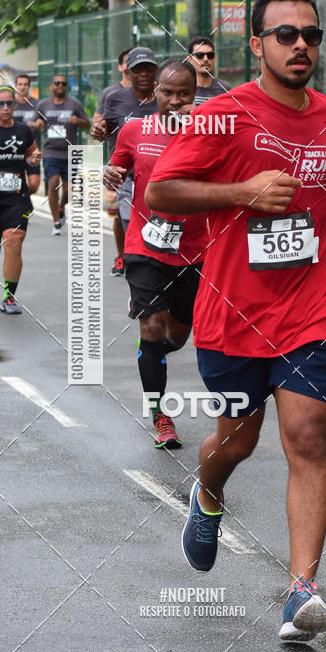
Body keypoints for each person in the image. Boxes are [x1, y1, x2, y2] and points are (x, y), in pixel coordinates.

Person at [146, 0, 326, 641]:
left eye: (310, 33)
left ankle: (302, 591)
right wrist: (242, 191)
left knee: (307, 434)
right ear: (257, 45)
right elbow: (161, 190)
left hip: (311, 306)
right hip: (234, 311)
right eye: (284, 34)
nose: (300, 44)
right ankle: (208, 491)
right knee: (235, 441)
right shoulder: (222, 114)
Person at [104, 59, 207, 448]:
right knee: (151, 327)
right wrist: (110, 174)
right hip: (145, 245)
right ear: (155, 93)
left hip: (195, 250)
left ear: (195, 95)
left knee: (177, 336)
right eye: (168, 92)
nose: (175, 101)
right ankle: (160, 414)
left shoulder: (209, 133)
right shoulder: (135, 130)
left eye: (184, 93)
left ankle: (152, 354)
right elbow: (116, 168)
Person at [91, 47, 158, 276]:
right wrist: (100, 131)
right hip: (127, 177)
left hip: (160, 177)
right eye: (138, 69)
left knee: (157, 233)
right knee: (132, 228)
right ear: (128, 71)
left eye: (148, 69)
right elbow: (106, 126)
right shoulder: (115, 98)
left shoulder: (166, 98)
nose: (143, 74)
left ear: (156, 71)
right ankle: (135, 273)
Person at [0, 85, 42, 314]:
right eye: (0, 104)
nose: (5, 108)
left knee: (14, 242)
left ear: (15, 105)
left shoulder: (24, 131)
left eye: (9, 103)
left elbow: (32, 157)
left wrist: (34, 166)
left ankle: (9, 297)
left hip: (17, 199)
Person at [92, 46, 133, 277]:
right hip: (118, 165)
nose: (133, 66)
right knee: (118, 214)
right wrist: (99, 129)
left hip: (148, 165)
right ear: (121, 66)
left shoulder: (154, 92)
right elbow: (98, 125)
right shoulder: (111, 94)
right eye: (128, 62)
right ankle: (121, 255)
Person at [35, 75, 90, 235]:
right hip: (50, 152)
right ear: (51, 86)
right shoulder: (43, 104)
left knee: (69, 191)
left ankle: (61, 207)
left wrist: (77, 121)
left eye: (63, 83)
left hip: (70, 153)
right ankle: (56, 222)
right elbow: (33, 122)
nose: (60, 85)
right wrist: (37, 123)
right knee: (52, 184)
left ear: (66, 87)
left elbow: (87, 123)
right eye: (57, 83)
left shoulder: (74, 103)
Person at [12, 74, 40, 195]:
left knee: (34, 185)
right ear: (16, 86)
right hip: (13, 150)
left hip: (31, 149)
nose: (22, 87)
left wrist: (38, 124)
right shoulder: (9, 104)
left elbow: (44, 124)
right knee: (13, 185)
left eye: (25, 84)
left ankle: (22, 198)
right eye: (20, 84)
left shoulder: (37, 104)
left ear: (29, 86)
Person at [187, 37, 230, 105]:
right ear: (189, 59)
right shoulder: (183, 87)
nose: (206, 59)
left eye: (210, 55)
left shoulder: (224, 88)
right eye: (200, 55)